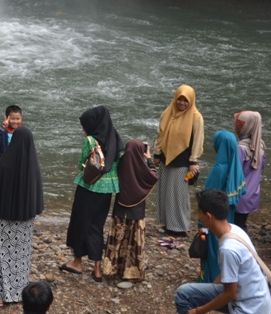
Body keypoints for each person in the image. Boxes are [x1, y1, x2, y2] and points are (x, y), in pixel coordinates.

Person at [174, 188, 271, 314]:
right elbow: (231, 273)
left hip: (249, 308)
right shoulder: (235, 230)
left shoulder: (228, 249)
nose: (198, 216)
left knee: (187, 298)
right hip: (257, 297)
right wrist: (211, 291)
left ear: (208, 216)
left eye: (199, 213)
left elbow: (230, 294)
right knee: (184, 294)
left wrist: (199, 310)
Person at [0, 126, 44, 306]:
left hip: (4, 220)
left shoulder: (4, 164)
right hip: (25, 222)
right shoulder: (33, 166)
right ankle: (18, 293)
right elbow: (37, 197)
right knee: (20, 258)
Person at [61, 105, 123, 281]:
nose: (83, 128)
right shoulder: (115, 138)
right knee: (97, 225)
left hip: (89, 188)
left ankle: (77, 262)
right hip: (108, 190)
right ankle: (97, 268)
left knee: (81, 223)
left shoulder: (89, 141)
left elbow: (82, 165)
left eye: (85, 125)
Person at [103, 139, 158, 282]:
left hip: (120, 208)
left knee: (117, 239)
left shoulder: (121, 163)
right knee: (134, 241)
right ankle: (131, 273)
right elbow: (154, 176)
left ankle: (112, 270)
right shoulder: (142, 166)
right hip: (137, 210)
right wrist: (149, 159)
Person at [153, 85, 205, 236]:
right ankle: (168, 224)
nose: (182, 103)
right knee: (165, 192)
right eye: (179, 99)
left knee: (178, 194)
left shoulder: (196, 118)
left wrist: (193, 161)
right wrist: (156, 154)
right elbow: (160, 134)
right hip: (165, 158)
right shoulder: (168, 113)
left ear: (191, 101)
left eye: (185, 100)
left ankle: (180, 227)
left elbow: (197, 140)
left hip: (183, 161)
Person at [201, 130, 247, 283]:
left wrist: (201, 224)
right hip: (229, 214)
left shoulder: (219, 168)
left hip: (214, 217)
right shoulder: (236, 165)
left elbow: (207, 197)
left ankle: (211, 279)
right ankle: (225, 278)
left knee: (213, 249)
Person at [233, 112, 265, 230]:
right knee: (241, 224)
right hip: (253, 193)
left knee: (235, 226)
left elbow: (234, 173)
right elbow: (261, 167)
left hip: (238, 196)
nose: (237, 127)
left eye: (239, 124)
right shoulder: (260, 145)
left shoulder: (240, 148)